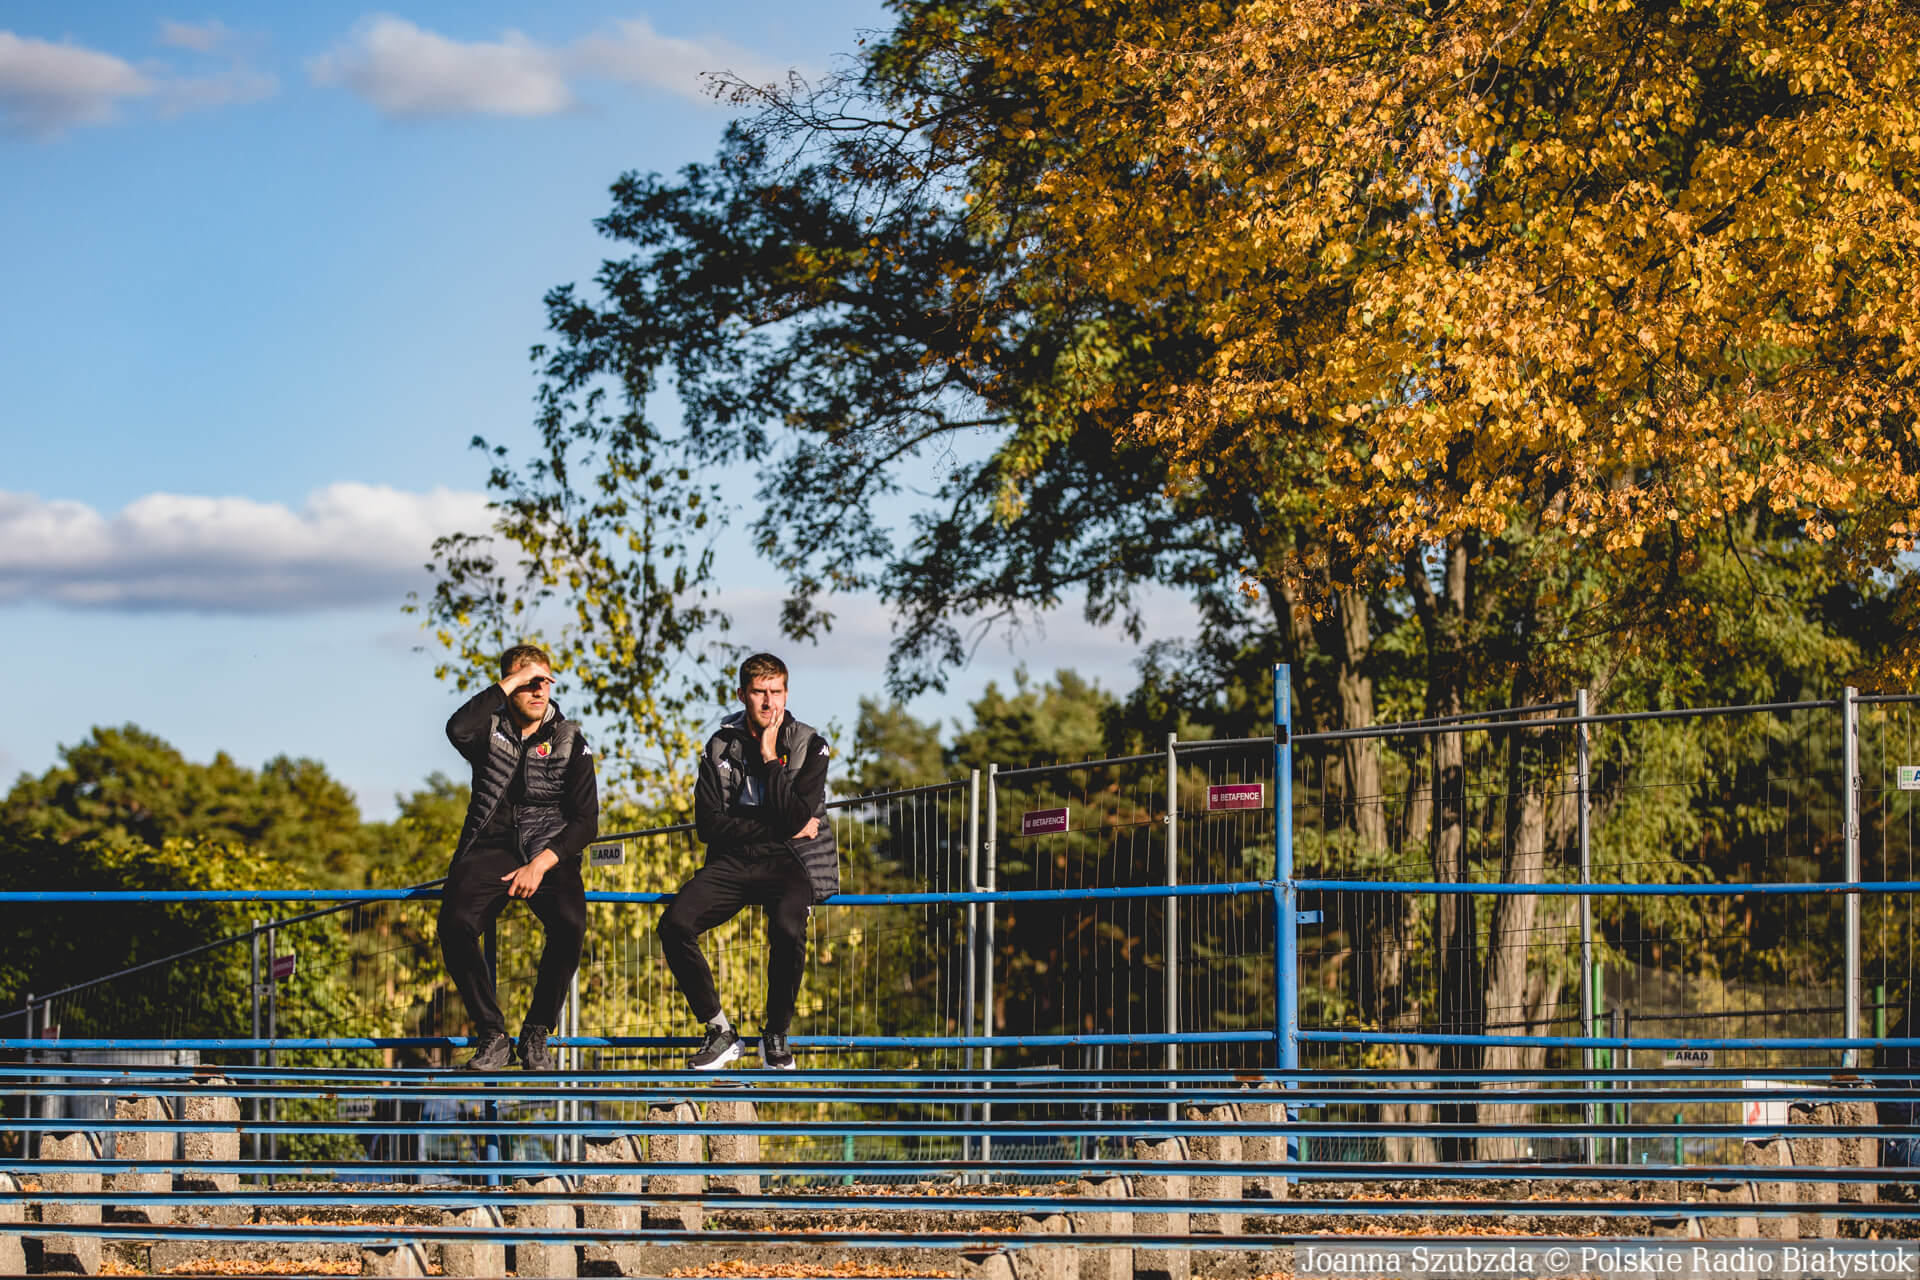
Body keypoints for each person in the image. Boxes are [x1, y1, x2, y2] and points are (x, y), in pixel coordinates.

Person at [659, 653, 838, 1070]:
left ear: (787, 694)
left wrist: (770, 756)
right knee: (674, 924)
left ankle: (776, 1033)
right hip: (734, 859)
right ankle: (720, 1031)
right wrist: (781, 826)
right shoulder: (719, 745)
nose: (769, 702)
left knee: (789, 928)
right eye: (759, 692)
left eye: (776, 692)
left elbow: (798, 816)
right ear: (742, 695)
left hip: (790, 860)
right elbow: (709, 825)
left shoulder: (810, 744)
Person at [440, 644, 599, 1071]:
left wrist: (541, 864)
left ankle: (536, 1033)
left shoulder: (569, 739)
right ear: (510, 686)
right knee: (454, 925)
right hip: (487, 847)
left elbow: (586, 822)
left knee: (570, 925)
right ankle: (492, 1035)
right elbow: (457, 729)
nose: (539, 690)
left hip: (546, 850)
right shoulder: (488, 731)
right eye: (529, 683)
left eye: (545, 681)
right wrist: (511, 681)